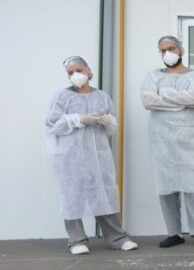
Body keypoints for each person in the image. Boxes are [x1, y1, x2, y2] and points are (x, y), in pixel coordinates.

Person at [45, 56, 138, 255]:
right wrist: (79, 119)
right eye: (70, 73)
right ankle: (77, 239)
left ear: (88, 71)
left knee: (105, 194)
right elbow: (52, 124)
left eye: (78, 70)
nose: (75, 75)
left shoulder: (102, 97)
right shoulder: (62, 97)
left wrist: (108, 120)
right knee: (73, 195)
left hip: (100, 156)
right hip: (71, 156)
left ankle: (117, 237)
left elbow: (112, 127)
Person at [140, 35, 194, 250]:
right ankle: (174, 233)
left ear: (181, 50)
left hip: (190, 139)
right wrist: (180, 100)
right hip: (161, 140)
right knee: (166, 187)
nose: (167, 53)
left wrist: (166, 96)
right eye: (163, 50)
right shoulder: (153, 76)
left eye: (171, 48)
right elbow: (148, 101)